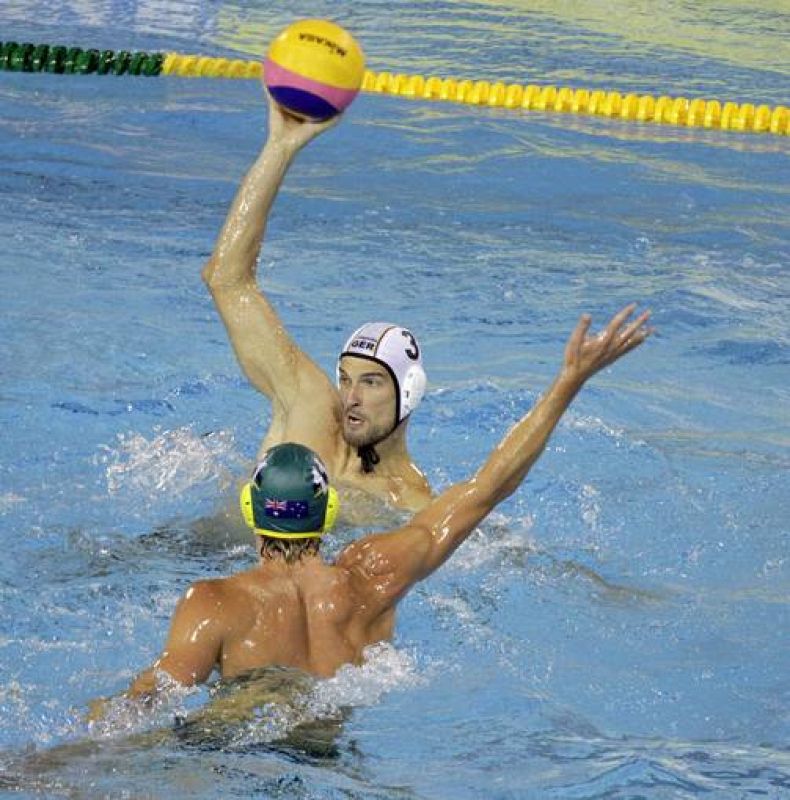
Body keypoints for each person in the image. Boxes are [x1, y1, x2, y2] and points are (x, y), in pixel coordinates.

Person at [90, 303, 651, 709]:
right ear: (328, 512)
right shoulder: (374, 579)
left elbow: (141, 707)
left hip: (237, 746)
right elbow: (487, 488)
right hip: (331, 751)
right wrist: (568, 382)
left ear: (251, 508)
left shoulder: (213, 602)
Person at [202, 90, 431, 515]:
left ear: (410, 392)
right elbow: (226, 279)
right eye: (345, 378)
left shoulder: (409, 502)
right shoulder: (309, 403)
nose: (351, 397)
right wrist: (280, 146)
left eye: (371, 381)